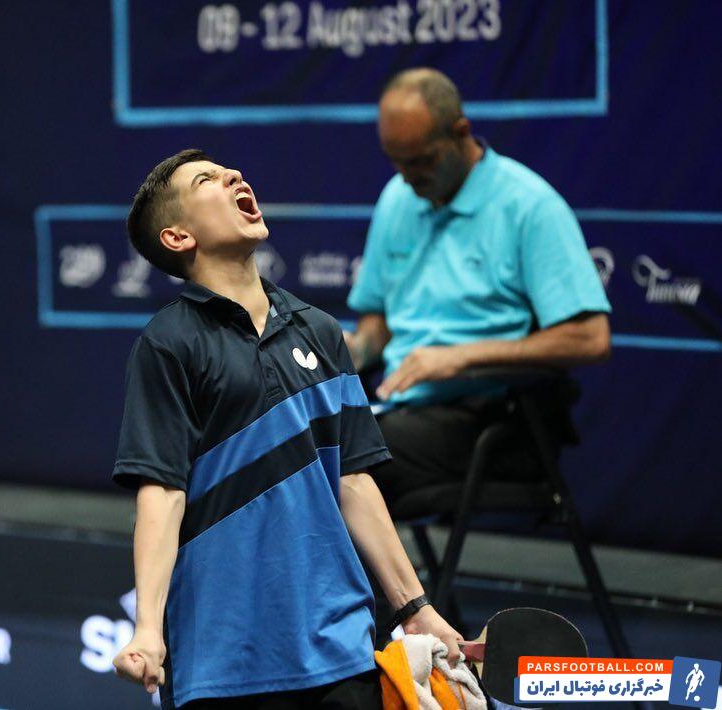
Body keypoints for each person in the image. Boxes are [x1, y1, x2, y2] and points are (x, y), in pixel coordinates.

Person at [110, 149, 461, 710]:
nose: (234, 175)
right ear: (177, 237)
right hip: (223, 656)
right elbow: (163, 492)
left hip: (339, 643)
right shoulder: (169, 343)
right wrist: (148, 628)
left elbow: (353, 480)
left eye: (229, 171)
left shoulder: (320, 331)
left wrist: (415, 609)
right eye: (207, 180)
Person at [345, 68, 612, 506]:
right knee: (294, 440)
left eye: (421, 161)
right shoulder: (397, 198)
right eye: (397, 161)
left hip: (491, 419)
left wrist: (461, 357)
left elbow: (591, 337)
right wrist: (355, 350)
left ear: (461, 133)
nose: (408, 177)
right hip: (399, 409)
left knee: (343, 457)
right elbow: (379, 323)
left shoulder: (529, 206)